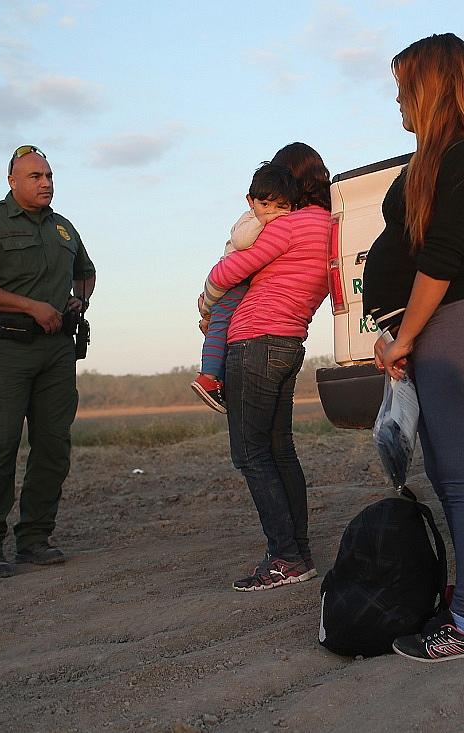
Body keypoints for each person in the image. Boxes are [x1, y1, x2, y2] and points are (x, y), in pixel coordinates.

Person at [362, 33, 464, 662]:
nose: (398, 101)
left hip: (454, 325)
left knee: (461, 478)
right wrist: (389, 330)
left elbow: (443, 260)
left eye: (405, 88)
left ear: (434, 86)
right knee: (452, 478)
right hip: (433, 326)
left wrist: (407, 334)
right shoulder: (433, 158)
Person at [0, 145, 97, 581]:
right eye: (35, 176)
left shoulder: (63, 229)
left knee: (54, 444)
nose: (46, 183)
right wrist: (31, 306)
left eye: (49, 175)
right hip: (7, 346)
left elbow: (87, 271)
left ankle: (35, 537)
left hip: (57, 351)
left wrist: (79, 298)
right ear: (12, 180)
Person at [202, 142, 332, 591]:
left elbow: (226, 273)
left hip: (254, 340)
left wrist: (206, 300)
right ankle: (298, 552)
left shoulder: (287, 226)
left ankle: (285, 557)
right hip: (290, 341)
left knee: (250, 453)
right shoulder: (329, 226)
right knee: (280, 450)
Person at [191, 164, 299, 413]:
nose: (272, 212)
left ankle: (220, 381)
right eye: (265, 204)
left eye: (281, 207)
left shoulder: (267, 219)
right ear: (250, 201)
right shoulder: (249, 220)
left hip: (239, 284)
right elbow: (241, 242)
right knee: (220, 325)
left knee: (226, 327)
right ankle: (208, 377)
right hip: (233, 284)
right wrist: (262, 220)